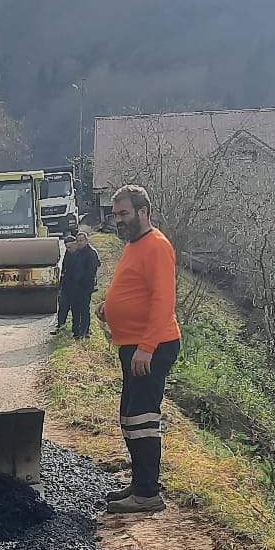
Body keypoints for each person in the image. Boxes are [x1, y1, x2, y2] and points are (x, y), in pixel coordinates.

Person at [100, 185, 180, 513]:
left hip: (152, 346)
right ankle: (140, 483)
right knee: (130, 418)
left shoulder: (156, 246)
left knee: (143, 419)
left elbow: (163, 300)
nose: (118, 220)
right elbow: (136, 290)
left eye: (124, 214)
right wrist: (110, 307)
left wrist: (146, 347)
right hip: (133, 345)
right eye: (116, 214)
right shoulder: (135, 245)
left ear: (143, 211)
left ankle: (148, 494)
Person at [56, 229, 101, 338]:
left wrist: (83, 283)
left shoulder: (91, 253)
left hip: (85, 287)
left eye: (81, 240)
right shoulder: (77, 253)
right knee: (75, 309)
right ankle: (76, 331)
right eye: (78, 241)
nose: (79, 243)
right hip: (74, 287)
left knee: (84, 309)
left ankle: (85, 331)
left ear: (86, 240)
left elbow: (91, 272)